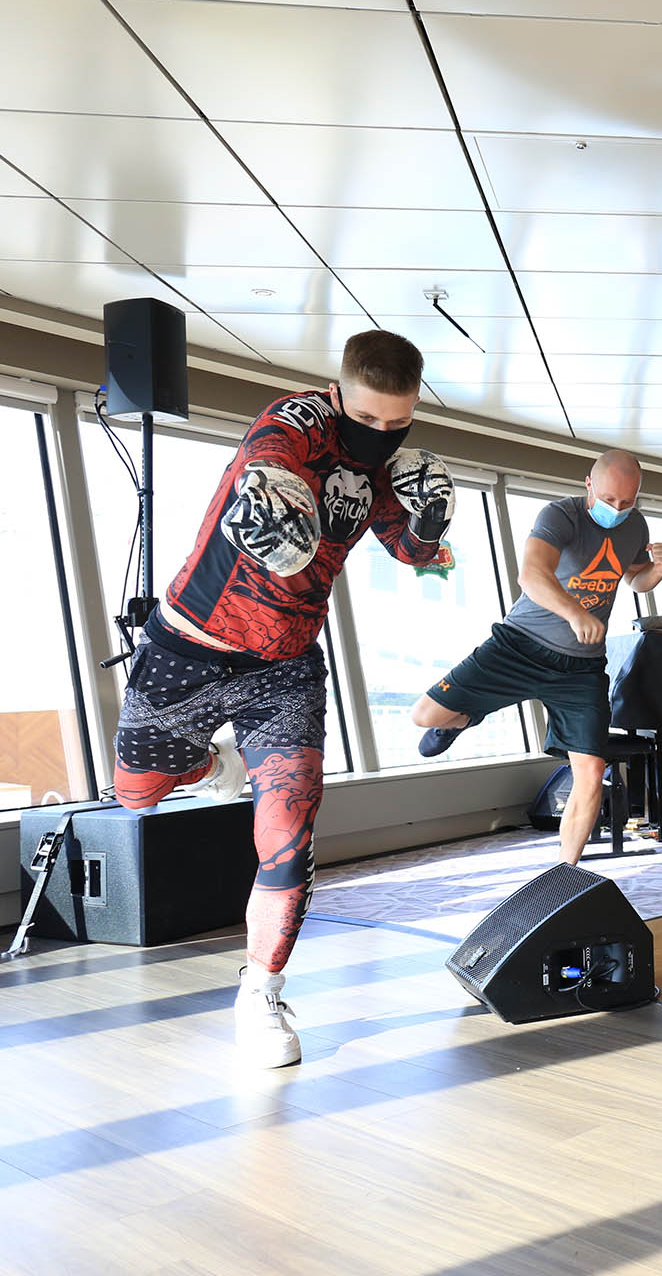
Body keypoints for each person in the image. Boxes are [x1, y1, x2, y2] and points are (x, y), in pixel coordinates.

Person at [109, 331, 454, 1068]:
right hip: (189, 645)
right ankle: (216, 766)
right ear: (337, 394)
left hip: (286, 666)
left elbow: (413, 552)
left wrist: (428, 522)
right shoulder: (297, 422)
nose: (380, 434)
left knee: (289, 831)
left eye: (398, 422)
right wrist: (271, 492)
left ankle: (260, 992)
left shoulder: (387, 466)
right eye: (367, 417)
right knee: (136, 794)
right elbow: (267, 456)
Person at [411, 450, 662, 866]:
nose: (617, 509)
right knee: (425, 716)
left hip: (582, 666)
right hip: (520, 645)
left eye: (627, 501)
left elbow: (632, 577)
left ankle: (565, 874)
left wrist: (653, 573)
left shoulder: (635, 525)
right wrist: (574, 612)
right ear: (589, 484)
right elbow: (531, 574)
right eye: (609, 499)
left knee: (591, 769)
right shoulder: (561, 516)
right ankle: (463, 718)